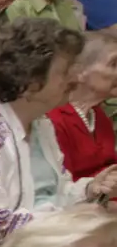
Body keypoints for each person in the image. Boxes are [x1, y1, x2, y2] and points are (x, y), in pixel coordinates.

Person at [0, 20, 117, 247]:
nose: (75, 79)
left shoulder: (40, 123)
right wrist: (72, 222)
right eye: (66, 72)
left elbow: (56, 194)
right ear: (30, 82)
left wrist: (89, 190)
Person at [46, 32, 117, 180]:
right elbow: (61, 189)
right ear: (79, 72)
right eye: (114, 64)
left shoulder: (100, 117)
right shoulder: (53, 120)